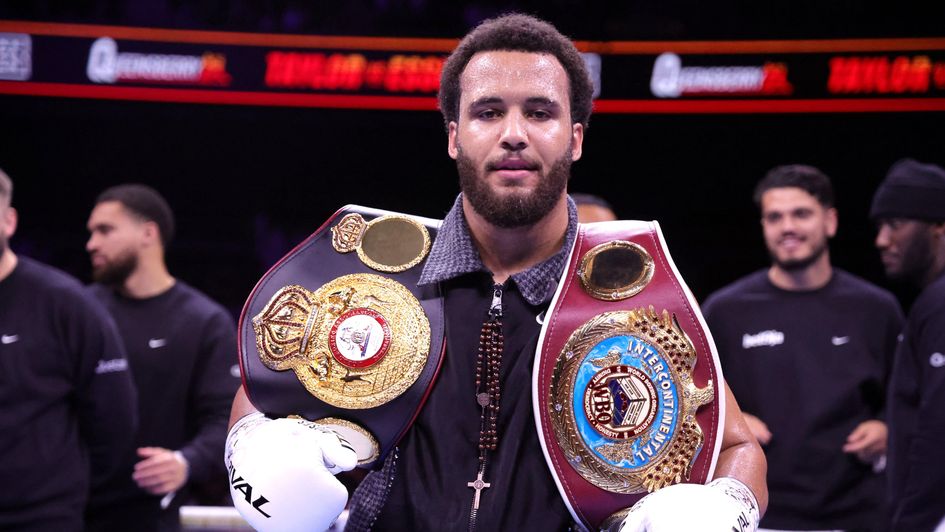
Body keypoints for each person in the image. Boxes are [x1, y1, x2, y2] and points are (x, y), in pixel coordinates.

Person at [226, 14, 768, 531]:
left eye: (539, 112)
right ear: (454, 136)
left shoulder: (630, 297)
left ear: (575, 138)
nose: (514, 133)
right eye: (488, 112)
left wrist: (726, 505)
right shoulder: (370, 275)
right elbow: (265, 386)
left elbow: (735, 445)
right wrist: (249, 445)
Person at [701, 165, 903, 531]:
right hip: (758, 514)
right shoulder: (724, 310)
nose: (788, 227)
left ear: (830, 221)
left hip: (858, 513)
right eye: (774, 217)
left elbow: (910, 396)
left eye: (801, 214)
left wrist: (888, 428)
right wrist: (729, 420)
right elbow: (691, 399)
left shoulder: (877, 308)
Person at [84, 184, 241, 532]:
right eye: (91, 232)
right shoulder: (81, 312)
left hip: (154, 513)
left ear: (148, 233)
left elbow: (226, 418)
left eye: (105, 230)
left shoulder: (203, 320)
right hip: (72, 505)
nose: (91, 243)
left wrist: (187, 461)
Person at [0, 169, 137, 531]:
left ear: (9, 220)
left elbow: (114, 421)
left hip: (41, 516)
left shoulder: (65, 303)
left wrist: (68, 495)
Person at [871, 158, 945, 531]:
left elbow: (939, 427)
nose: (882, 240)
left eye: (896, 225)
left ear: (938, 225)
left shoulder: (940, 303)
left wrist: (910, 523)